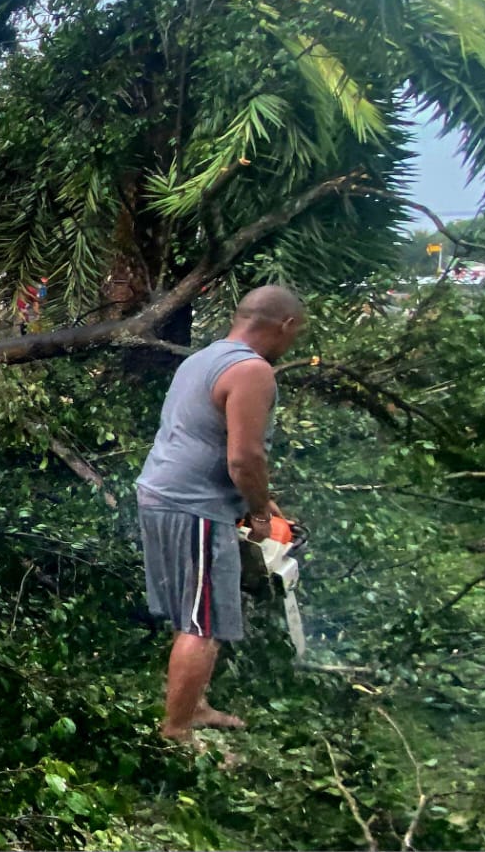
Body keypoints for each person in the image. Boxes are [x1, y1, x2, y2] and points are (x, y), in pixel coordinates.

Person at [135, 285, 305, 742]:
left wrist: (259, 498)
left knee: (190, 612)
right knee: (203, 623)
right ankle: (176, 730)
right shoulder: (253, 371)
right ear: (285, 326)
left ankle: (194, 706)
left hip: (162, 493)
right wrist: (259, 514)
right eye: (296, 333)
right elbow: (244, 458)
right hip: (196, 506)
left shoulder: (204, 358)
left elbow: (203, 435)